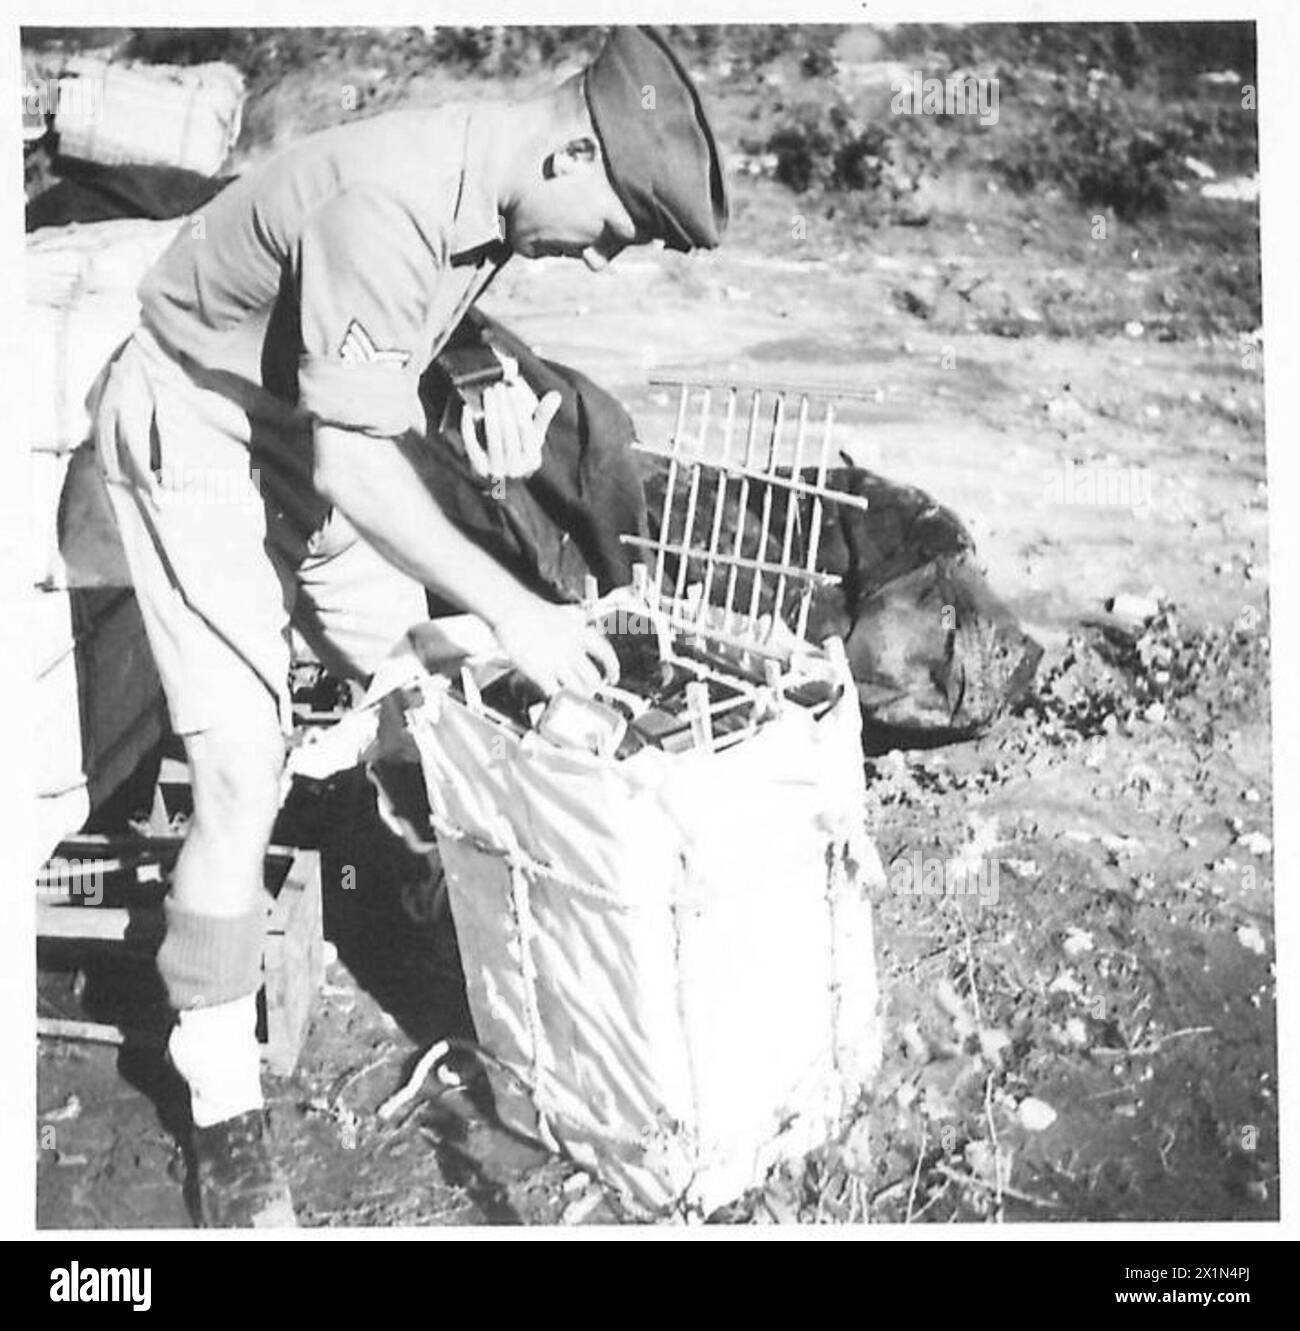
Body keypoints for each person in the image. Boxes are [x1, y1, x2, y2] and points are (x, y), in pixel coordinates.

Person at [87, 25, 727, 1227]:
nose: (595, 261)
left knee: (409, 670)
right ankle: (221, 1108)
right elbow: (357, 456)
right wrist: (519, 608)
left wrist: (475, 385)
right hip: (202, 427)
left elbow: (394, 334)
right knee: (238, 763)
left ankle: (409, 872)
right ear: (573, 154)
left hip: (299, 432)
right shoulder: (394, 196)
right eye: (608, 233)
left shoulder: (483, 176)